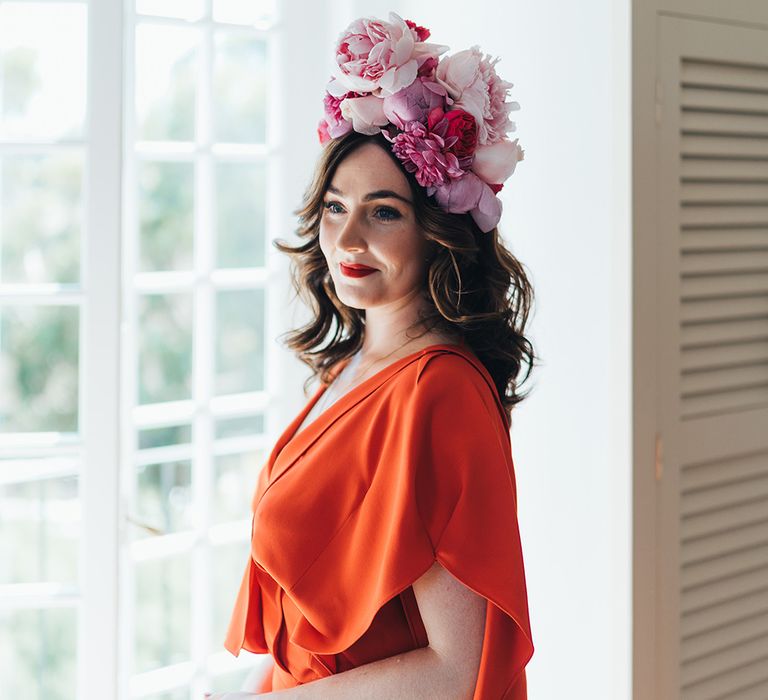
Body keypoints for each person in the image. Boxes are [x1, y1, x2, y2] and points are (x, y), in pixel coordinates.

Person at [209, 11, 536, 699]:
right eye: (334, 207)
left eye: (383, 211)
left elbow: (455, 670)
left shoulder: (439, 395)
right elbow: (314, 621)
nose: (348, 238)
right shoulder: (347, 369)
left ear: (436, 229)